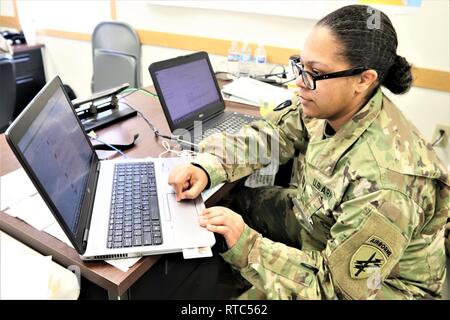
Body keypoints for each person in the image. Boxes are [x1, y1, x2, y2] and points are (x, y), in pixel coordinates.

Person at [169, 4, 450, 300]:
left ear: (364, 80)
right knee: (238, 203)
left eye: (315, 72)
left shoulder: (388, 183)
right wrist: (207, 165)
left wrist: (248, 246)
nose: (299, 82)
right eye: (300, 66)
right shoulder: (327, 102)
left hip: (378, 288)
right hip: (321, 226)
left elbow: (335, 289)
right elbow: (274, 133)